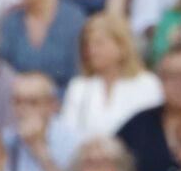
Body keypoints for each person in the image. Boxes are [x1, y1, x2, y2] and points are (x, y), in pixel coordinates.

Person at [62, 11, 161, 142]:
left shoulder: (147, 83)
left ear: (121, 45)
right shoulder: (79, 86)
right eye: (87, 44)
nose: (91, 50)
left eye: (99, 43)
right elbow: (69, 133)